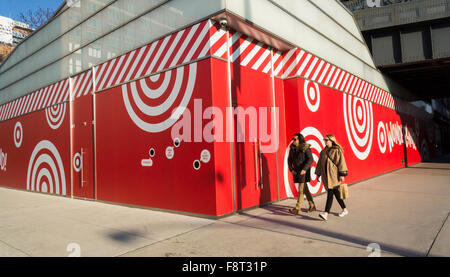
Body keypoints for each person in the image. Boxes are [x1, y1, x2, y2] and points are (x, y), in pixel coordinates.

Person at [315, 134, 348, 221]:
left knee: (330, 194)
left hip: (334, 176)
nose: (325, 141)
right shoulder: (323, 151)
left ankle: (326, 213)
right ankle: (344, 209)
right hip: (326, 176)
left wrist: (342, 174)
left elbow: (341, 162)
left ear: (331, 140)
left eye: (326, 140)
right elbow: (319, 163)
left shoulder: (337, 150)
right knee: (336, 194)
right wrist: (318, 174)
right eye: (324, 140)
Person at [288, 133, 316, 215]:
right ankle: (312, 205)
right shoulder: (292, 148)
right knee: (305, 189)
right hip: (296, 171)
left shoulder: (305, 148)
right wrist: (291, 169)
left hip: (304, 171)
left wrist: (304, 169)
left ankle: (297, 208)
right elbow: (289, 160)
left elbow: (310, 159)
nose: (293, 140)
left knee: (301, 190)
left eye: (295, 139)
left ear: (300, 140)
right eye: (293, 139)